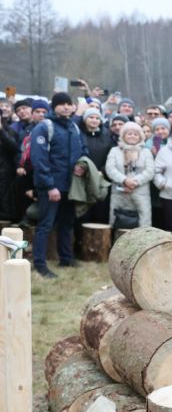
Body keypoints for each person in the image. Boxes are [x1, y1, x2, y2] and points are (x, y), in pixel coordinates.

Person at [29, 93, 89, 278]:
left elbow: (83, 150)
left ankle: (66, 258)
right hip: (51, 186)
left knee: (67, 224)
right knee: (45, 225)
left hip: (70, 186)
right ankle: (40, 264)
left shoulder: (74, 127)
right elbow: (39, 160)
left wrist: (82, 165)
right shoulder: (44, 127)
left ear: (72, 107)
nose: (65, 107)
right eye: (61, 104)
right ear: (53, 107)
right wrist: (49, 186)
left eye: (68, 104)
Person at [105, 121, 155, 229]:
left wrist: (134, 181)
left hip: (140, 194)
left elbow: (150, 171)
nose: (132, 136)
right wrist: (124, 180)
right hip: (119, 193)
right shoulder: (114, 151)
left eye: (135, 134)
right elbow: (110, 169)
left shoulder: (146, 152)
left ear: (140, 137)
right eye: (129, 133)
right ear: (123, 135)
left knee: (142, 227)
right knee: (117, 225)